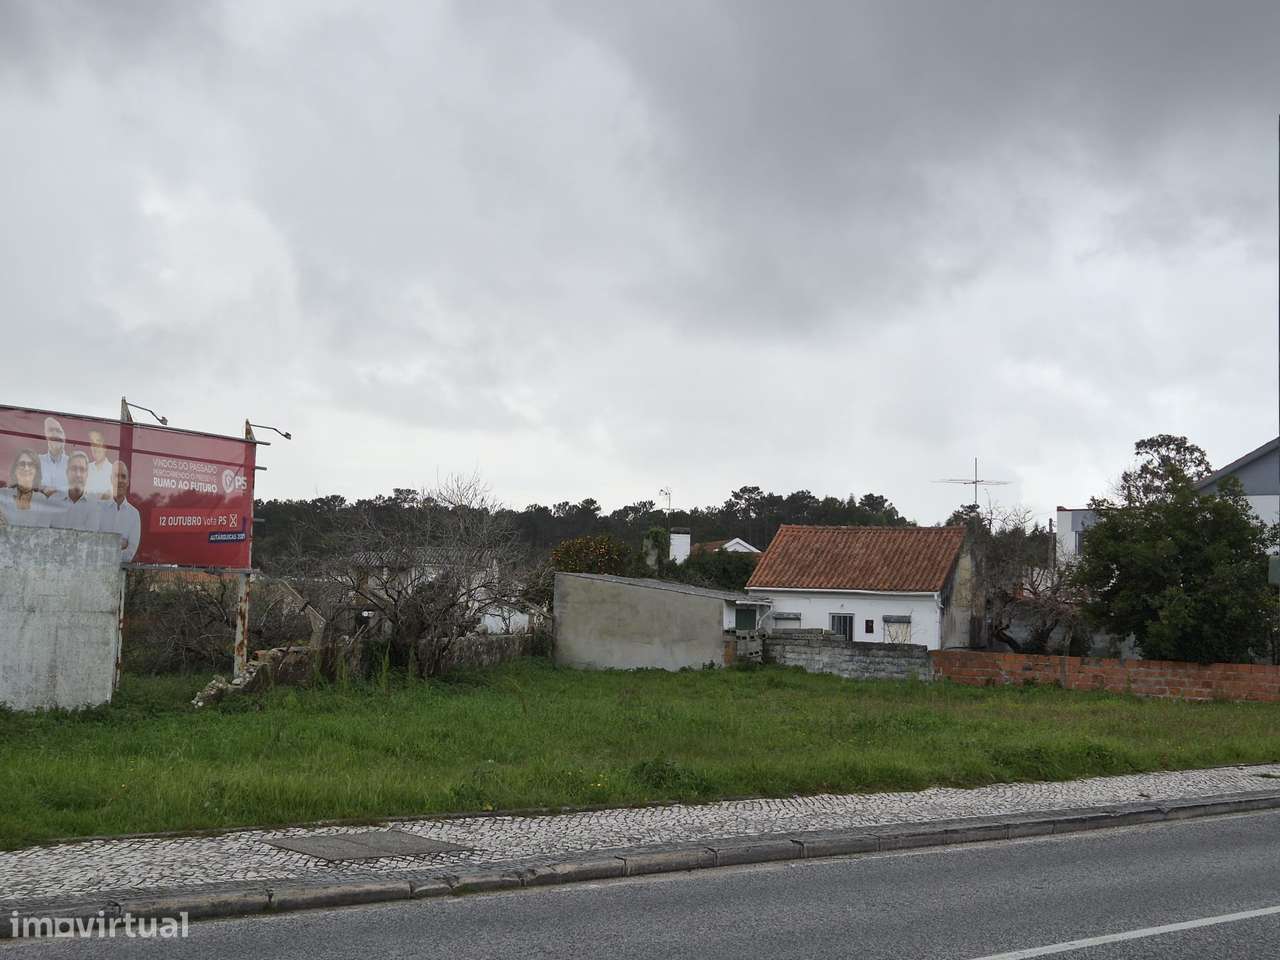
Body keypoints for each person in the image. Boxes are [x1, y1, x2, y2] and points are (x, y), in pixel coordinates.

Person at [50, 451, 104, 532]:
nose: (78, 474)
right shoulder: (54, 501)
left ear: (87, 474)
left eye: (82, 470)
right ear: (67, 472)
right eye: (74, 469)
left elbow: (90, 538)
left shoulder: (95, 506)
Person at [0, 449, 55, 528]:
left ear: (36, 471)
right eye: (22, 464)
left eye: (30, 465)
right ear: (15, 469)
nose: (26, 468)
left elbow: (43, 533)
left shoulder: (42, 500)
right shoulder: (2, 494)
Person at [101, 460, 141, 563]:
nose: (120, 480)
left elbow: (129, 555)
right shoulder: (99, 509)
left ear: (128, 482)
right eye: (116, 476)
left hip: (121, 575)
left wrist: (105, 546)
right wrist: (121, 543)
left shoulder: (134, 514)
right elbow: (94, 546)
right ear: (110, 479)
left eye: (123, 476)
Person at [38, 417, 69, 496]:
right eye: (51, 430)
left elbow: (79, 488)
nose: (55, 434)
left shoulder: (73, 463)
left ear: (64, 436)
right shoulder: (36, 461)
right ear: (45, 435)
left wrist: (55, 490)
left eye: (59, 431)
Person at [84, 429, 115, 500]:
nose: (95, 447)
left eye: (98, 442)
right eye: (92, 443)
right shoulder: (85, 469)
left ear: (105, 446)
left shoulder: (114, 471)